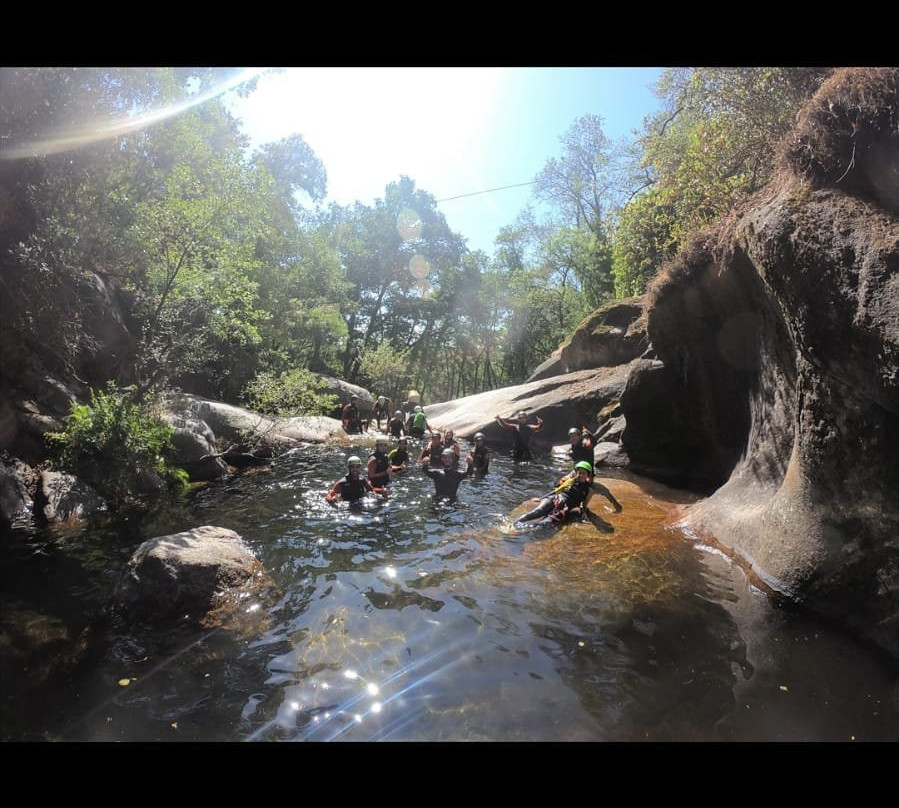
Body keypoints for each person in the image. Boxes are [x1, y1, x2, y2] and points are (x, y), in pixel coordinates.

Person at [514, 461, 620, 527]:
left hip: (564, 507)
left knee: (547, 523)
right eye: (579, 472)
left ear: (588, 475)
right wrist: (542, 497)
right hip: (555, 499)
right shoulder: (570, 480)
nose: (581, 475)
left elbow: (589, 501)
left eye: (583, 473)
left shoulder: (590, 488)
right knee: (538, 511)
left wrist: (617, 506)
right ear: (576, 473)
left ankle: (522, 529)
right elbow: (557, 490)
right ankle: (515, 524)